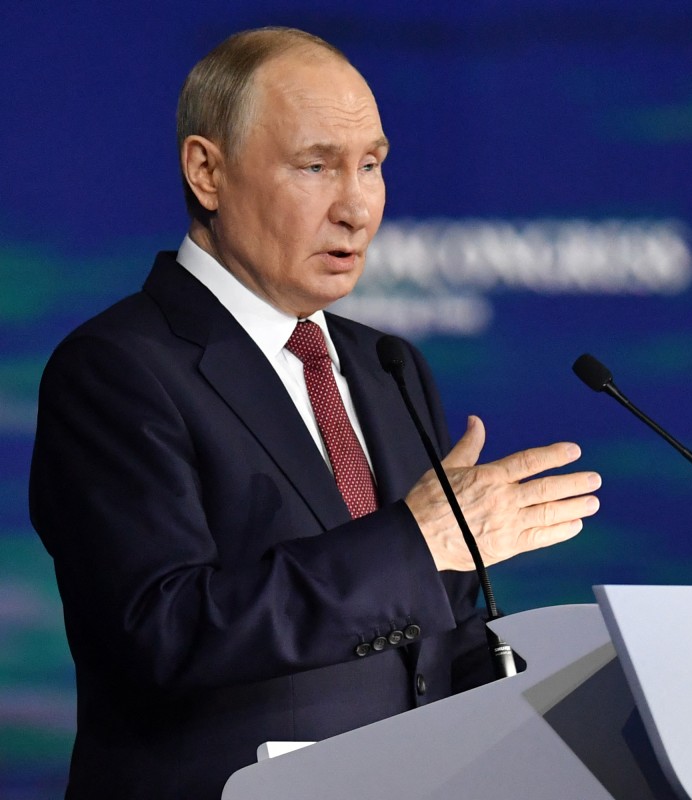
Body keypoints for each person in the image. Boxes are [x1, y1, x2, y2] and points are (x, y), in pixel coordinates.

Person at [28, 27, 600, 800]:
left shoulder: (386, 367)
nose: (357, 206)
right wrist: (417, 541)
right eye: (317, 166)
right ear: (207, 171)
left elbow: (439, 632)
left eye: (371, 166)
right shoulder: (117, 369)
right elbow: (160, 632)